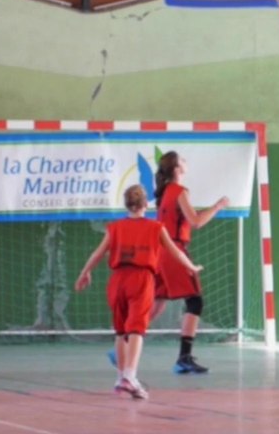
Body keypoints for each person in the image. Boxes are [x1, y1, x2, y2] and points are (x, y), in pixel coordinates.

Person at [75, 185, 203, 400]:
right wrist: (191, 267)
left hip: (117, 281)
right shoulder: (156, 228)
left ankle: (120, 378)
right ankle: (130, 376)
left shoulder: (114, 227)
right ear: (146, 204)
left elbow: (97, 253)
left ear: (126, 204)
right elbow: (175, 252)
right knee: (136, 330)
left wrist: (84, 273)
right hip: (141, 280)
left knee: (120, 331)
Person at [150, 151, 228, 374]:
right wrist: (217, 206)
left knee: (158, 302)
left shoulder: (164, 192)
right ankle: (184, 357)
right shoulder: (178, 191)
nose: (186, 162)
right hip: (174, 250)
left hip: (162, 251)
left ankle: (125, 342)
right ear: (176, 169)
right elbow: (196, 222)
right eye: (182, 160)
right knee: (195, 302)